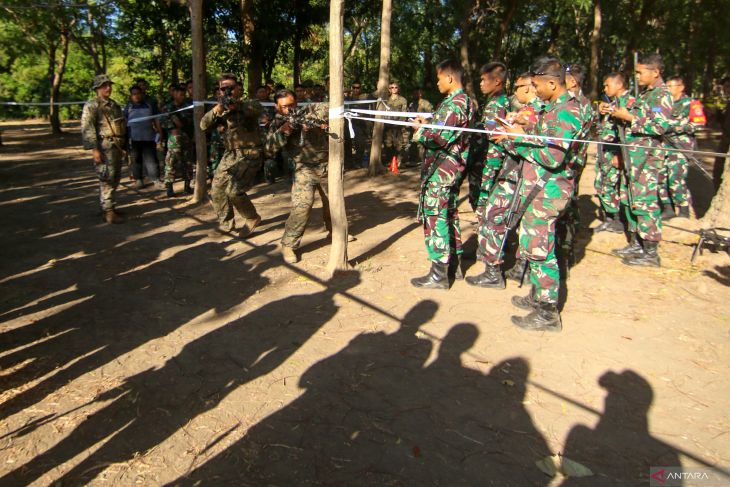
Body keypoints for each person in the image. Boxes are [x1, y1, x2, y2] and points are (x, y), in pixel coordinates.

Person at [495, 57, 582, 331]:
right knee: (533, 242)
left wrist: (518, 137)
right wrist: (523, 130)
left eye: (537, 85)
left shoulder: (567, 111)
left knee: (540, 248)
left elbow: (551, 155)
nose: (534, 90)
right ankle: (537, 295)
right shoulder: (553, 108)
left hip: (550, 188)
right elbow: (543, 136)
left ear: (553, 83)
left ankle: (547, 313)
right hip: (540, 185)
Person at [466, 72, 540, 288]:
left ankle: (493, 271)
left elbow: (523, 146)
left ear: (528, 87)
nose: (514, 92)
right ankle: (514, 268)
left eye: (517, 87)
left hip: (514, 173)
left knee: (494, 216)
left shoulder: (535, 112)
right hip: (512, 171)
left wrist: (508, 136)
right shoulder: (527, 111)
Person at [410, 59, 477, 290]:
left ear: (449, 78)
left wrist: (420, 131)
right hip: (449, 169)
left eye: (439, 78)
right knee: (448, 214)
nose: (437, 83)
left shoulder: (455, 104)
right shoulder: (456, 102)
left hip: (443, 170)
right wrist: (428, 123)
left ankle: (439, 273)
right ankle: (454, 265)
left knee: (436, 216)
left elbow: (440, 138)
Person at [610, 53, 673, 267]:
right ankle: (637, 243)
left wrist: (630, 118)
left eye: (640, 72)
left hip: (647, 158)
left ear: (655, 72)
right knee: (630, 199)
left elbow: (660, 126)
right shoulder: (646, 94)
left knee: (645, 203)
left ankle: (651, 251)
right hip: (633, 156)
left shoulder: (662, 95)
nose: (637, 76)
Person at [265, 89, 331, 264]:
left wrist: (315, 121)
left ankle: (337, 232)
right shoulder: (277, 124)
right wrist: (285, 131)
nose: (290, 110)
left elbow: (329, 107)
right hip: (303, 168)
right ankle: (289, 244)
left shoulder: (309, 110)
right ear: (277, 107)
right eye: (285, 107)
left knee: (333, 202)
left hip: (326, 165)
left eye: (292, 105)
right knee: (302, 206)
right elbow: (269, 149)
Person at [200, 74, 265, 237]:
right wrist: (218, 109)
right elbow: (203, 125)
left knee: (234, 191)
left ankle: (252, 217)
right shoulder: (221, 108)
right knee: (217, 188)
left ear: (238, 88)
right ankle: (227, 223)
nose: (227, 91)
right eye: (223, 88)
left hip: (251, 152)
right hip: (231, 154)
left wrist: (237, 106)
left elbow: (257, 110)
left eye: (230, 87)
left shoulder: (249, 103)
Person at [81, 74, 127, 224]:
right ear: (97, 88)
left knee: (115, 178)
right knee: (106, 178)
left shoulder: (114, 105)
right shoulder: (92, 105)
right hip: (104, 146)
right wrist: (94, 150)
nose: (108, 88)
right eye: (104, 85)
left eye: (109, 85)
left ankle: (109, 206)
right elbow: (88, 128)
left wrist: (124, 145)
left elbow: (121, 125)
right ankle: (108, 211)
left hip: (116, 146)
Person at [595, 72, 635, 233]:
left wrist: (621, 154)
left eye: (607, 85)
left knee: (615, 186)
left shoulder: (629, 102)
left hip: (618, 152)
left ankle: (618, 220)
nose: (604, 88)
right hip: (607, 150)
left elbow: (628, 132)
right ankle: (610, 218)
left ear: (619, 85)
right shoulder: (612, 102)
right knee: (602, 184)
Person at [662, 76, 699, 219]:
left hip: (680, 146)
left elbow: (699, 123)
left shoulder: (691, 103)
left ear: (681, 87)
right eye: (667, 86)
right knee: (661, 178)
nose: (668, 89)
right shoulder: (663, 104)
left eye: (671, 86)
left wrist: (676, 127)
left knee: (675, 178)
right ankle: (668, 208)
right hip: (662, 145)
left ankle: (683, 210)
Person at [124, 85, 161, 189]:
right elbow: (124, 122)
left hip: (149, 137)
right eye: (134, 94)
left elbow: (156, 119)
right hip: (134, 138)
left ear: (142, 94)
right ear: (131, 96)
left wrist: (159, 132)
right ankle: (139, 180)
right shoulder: (128, 108)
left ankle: (156, 180)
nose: (136, 96)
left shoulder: (150, 105)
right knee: (136, 160)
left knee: (152, 160)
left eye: (138, 93)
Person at [161, 83, 194, 197]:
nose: (182, 97)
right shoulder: (168, 108)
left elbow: (191, 122)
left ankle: (187, 186)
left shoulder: (188, 106)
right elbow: (163, 122)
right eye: (180, 94)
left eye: (183, 95)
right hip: (174, 139)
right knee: (171, 163)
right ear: (174, 94)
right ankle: (169, 188)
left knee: (188, 163)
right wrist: (173, 124)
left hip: (187, 138)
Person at [382, 81, 409, 166]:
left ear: (398, 88)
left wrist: (400, 123)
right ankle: (389, 162)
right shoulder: (385, 100)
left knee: (399, 145)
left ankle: (398, 162)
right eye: (391, 87)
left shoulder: (403, 100)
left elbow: (404, 114)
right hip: (387, 126)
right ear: (389, 89)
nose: (394, 89)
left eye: (395, 87)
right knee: (388, 144)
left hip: (398, 127)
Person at [407, 87, 434, 166]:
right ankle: (414, 161)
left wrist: (422, 122)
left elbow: (430, 116)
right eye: (414, 93)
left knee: (421, 146)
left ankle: (424, 162)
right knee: (413, 144)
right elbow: (409, 114)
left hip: (423, 128)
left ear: (421, 94)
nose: (415, 95)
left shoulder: (426, 103)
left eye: (417, 93)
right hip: (413, 127)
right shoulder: (411, 104)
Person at [713, 77, 730, 191]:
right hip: (725, 139)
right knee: (718, 169)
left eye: (728, 86)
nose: (726, 89)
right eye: (725, 86)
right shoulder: (725, 102)